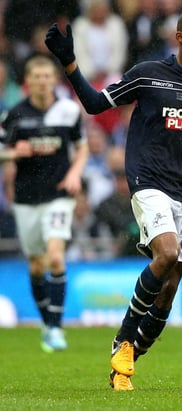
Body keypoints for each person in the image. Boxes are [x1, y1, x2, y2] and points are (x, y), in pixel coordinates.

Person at [44, 9, 182, 391]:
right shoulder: (146, 74)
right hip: (150, 181)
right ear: (179, 37)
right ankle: (123, 339)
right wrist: (70, 63)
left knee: (171, 287)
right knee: (167, 255)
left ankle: (124, 364)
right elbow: (95, 104)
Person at [0, 55, 89, 352]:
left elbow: (82, 147)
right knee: (37, 266)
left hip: (58, 195)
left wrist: (75, 172)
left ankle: (55, 326)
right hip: (26, 198)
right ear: (28, 81)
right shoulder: (15, 114)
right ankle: (47, 323)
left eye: (46, 75)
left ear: (54, 79)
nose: (41, 81)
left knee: (55, 256)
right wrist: (13, 154)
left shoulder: (67, 110)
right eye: (36, 76)